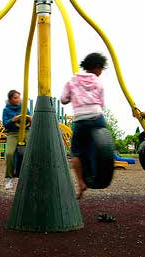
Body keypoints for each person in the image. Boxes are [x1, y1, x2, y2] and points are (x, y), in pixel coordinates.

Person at [61, 52, 108, 199]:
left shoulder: (72, 81)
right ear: (98, 67)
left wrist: (71, 98)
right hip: (97, 116)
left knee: (76, 152)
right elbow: (102, 103)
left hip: (81, 119)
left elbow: (63, 99)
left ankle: (81, 182)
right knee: (100, 146)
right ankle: (99, 168)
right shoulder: (98, 82)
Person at [2, 89, 31, 190]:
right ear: (10, 99)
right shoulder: (6, 110)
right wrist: (12, 120)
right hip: (13, 133)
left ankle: (30, 177)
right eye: (15, 98)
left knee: (31, 151)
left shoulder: (24, 108)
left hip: (25, 131)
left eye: (19, 97)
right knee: (9, 154)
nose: (18, 99)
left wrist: (31, 120)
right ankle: (9, 178)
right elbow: (5, 124)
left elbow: (29, 120)